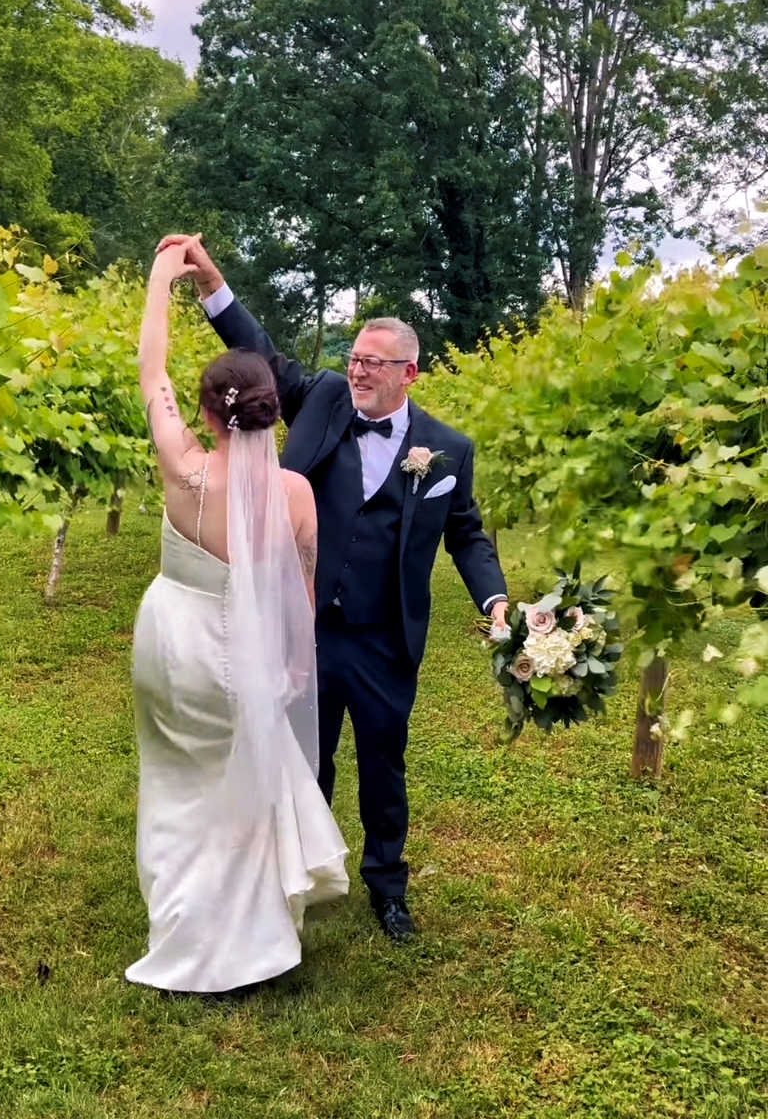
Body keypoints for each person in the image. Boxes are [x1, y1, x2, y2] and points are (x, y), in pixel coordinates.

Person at [157, 232, 509, 943]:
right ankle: (294, 873)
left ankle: (388, 886)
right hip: (305, 628)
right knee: (301, 757)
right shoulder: (319, 398)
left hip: (385, 639)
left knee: (383, 764)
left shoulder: (447, 450)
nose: (357, 371)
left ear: (409, 373)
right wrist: (212, 284)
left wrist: (495, 600)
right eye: (354, 359)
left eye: (373, 363)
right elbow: (256, 348)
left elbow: (467, 535)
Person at [126, 241, 348, 996]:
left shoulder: (183, 467)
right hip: (243, 651)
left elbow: (150, 369)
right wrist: (288, 668)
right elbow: (303, 597)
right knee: (244, 783)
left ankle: (180, 921)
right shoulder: (295, 495)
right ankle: (250, 934)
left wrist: (163, 278)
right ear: (271, 409)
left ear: (204, 410)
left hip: (171, 644)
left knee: (175, 783)